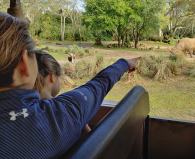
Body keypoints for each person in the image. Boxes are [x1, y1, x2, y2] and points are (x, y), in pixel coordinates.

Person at [0, 11, 141, 158]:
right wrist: (124, 64)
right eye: (36, 54)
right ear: (24, 63)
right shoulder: (60, 116)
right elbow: (97, 86)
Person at [34, 52, 91, 134]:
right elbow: (91, 140)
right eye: (59, 76)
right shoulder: (68, 109)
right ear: (52, 76)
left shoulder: (24, 110)